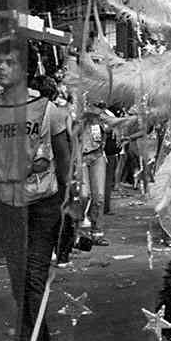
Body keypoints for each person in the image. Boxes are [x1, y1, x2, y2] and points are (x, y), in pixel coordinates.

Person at [0, 37, 72, 341]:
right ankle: (40, 337)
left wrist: (68, 203)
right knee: (18, 279)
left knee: (33, 276)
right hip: (7, 207)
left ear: (25, 69)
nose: (1, 67)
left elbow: (64, 159)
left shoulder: (47, 110)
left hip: (42, 205)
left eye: (10, 62)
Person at [75, 104, 109, 244]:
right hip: (80, 157)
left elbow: (112, 125)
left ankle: (97, 232)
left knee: (99, 196)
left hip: (97, 156)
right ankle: (77, 230)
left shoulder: (102, 115)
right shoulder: (75, 112)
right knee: (83, 195)